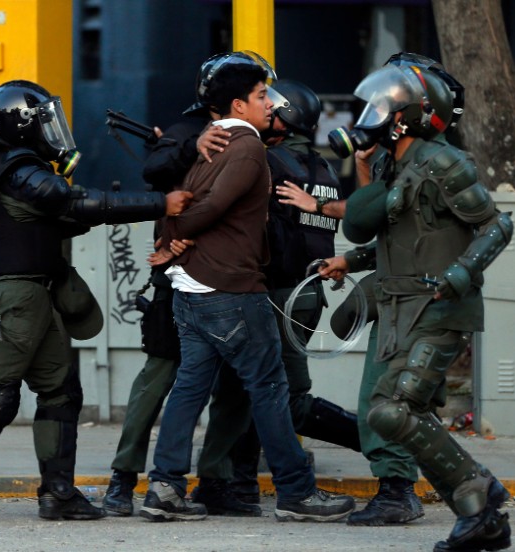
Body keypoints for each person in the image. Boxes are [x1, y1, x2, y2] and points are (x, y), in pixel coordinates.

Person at [0, 80, 192, 523]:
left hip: (35, 294)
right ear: (25, 127)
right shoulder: (16, 169)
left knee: (61, 391)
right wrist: (160, 202)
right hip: (13, 298)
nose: (53, 128)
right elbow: (71, 202)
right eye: (44, 119)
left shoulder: (6, 164)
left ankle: (59, 493)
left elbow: (52, 218)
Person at [140, 61, 355, 523]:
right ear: (239, 105)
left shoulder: (212, 143)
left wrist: (171, 236)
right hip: (232, 290)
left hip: (192, 289)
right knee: (272, 389)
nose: (270, 103)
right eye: (261, 96)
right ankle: (297, 492)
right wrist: (177, 228)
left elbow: (181, 197)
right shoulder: (247, 147)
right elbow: (207, 207)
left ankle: (165, 487)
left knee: (190, 389)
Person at [318, 57, 515, 551]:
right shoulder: (393, 165)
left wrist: (462, 273)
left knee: (391, 409)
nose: (369, 118)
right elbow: (400, 236)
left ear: (403, 116)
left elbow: (496, 225)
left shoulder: (444, 161)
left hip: (439, 307)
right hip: (401, 307)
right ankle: (480, 516)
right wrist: (352, 259)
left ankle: (478, 493)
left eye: (380, 109)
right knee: (394, 412)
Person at [191, 78, 365, 515]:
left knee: (283, 396)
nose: (264, 108)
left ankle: (378, 439)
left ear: (284, 118)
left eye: (271, 104)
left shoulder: (266, 162)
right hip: (307, 296)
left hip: (271, 294)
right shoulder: (320, 169)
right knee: (247, 391)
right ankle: (238, 485)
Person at [100, 53, 239, 517]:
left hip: (229, 278)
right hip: (177, 278)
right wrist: (187, 146)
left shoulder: (249, 139)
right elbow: (155, 171)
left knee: (236, 384)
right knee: (158, 377)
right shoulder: (188, 132)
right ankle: (123, 479)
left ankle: (216, 481)